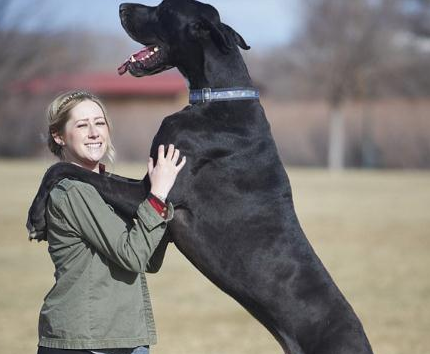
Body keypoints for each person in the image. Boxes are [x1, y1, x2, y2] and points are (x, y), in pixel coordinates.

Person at [35, 90, 186, 354]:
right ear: (59, 136)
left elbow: (148, 260)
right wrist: (157, 197)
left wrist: (160, 202)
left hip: (123, 335)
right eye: (82, 125)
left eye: (100, 122)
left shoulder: (107, 190)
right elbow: (133, 256)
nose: (94, 132)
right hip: (87, 341)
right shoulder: (73, 192)